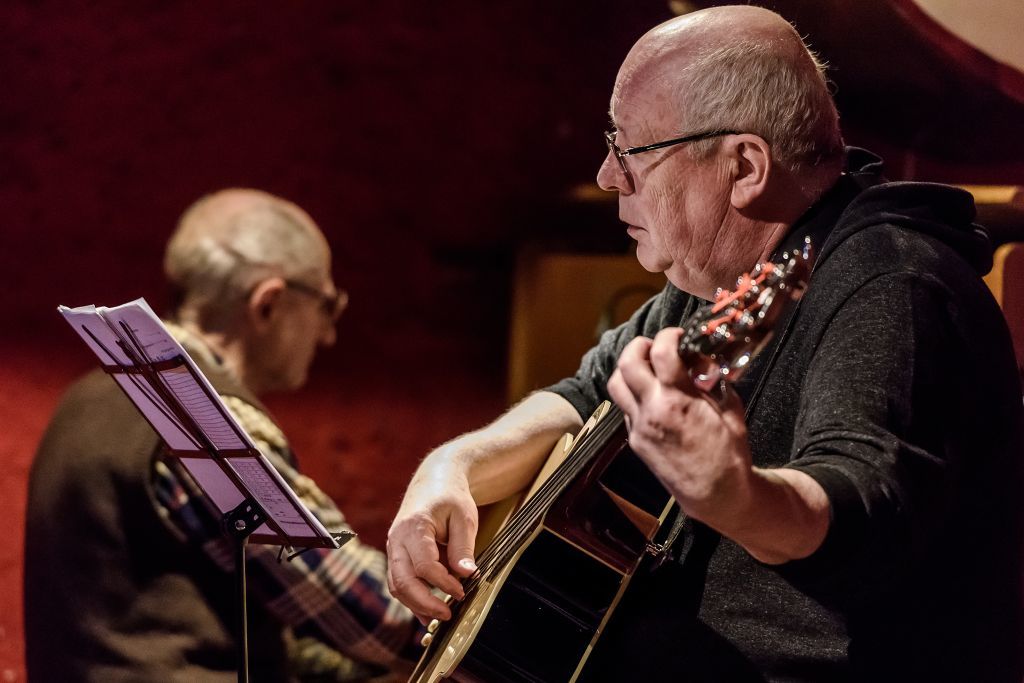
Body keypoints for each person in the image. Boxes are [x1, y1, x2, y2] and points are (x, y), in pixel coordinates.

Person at [386, 6, 1024, 681]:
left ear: (744, 166)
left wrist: (734, 495)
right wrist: (451, 468)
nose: (606, 176)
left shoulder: (895, 286)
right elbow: (585, 396)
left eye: (630, 150)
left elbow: (864, 514)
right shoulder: (726, 267)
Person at [25, 189, 421, 682]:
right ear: (268, 304)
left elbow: (231, 619)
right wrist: (468, 624)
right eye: (327, 305)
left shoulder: (86, 396)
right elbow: (365, 612)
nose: (328, 335)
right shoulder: (193, 414)